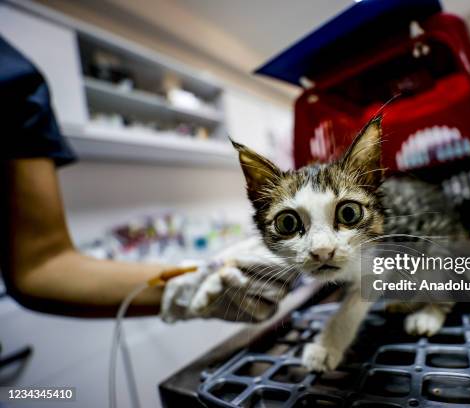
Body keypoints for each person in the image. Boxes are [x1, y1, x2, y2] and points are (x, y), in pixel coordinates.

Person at [0, 36, 293, 321]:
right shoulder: (17, 82)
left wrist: (195, 282)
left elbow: (41, 266)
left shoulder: (14, 80)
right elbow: (43, 266)